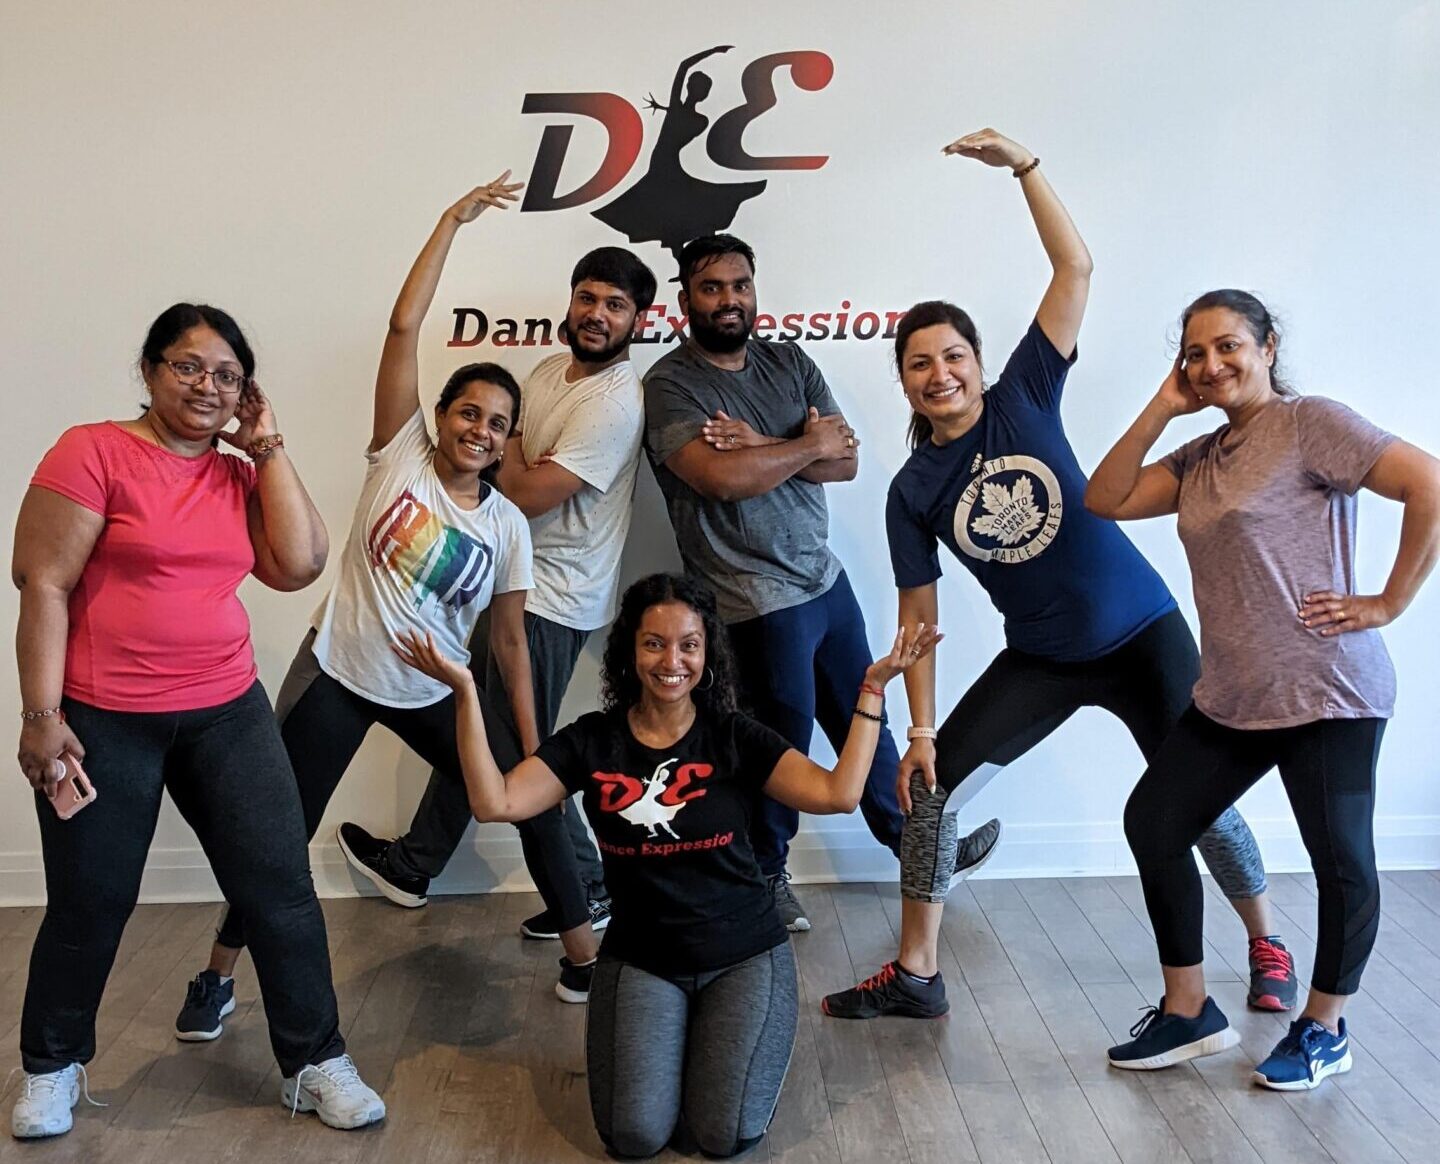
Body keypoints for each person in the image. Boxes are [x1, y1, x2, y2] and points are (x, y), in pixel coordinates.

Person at [822, 131, 1289, 1023]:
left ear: (978, 363)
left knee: (1199, 797)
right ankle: (917, 974)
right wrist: (919, 731)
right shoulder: (913, 491)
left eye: (953, 355)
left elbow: (1073, 267)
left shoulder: (1025, 397)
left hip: (1143, 634)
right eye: (920, 363)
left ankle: (1266, 938)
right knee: (930, 792)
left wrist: (1026, 170)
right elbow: (917, 620)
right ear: (906, 383)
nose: (940, 372)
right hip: (1042, 656)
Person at [177, 174, 600, 1032]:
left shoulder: (510, 527)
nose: (479, 430)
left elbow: (512, 645)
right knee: (276, 836)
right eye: (466, 413)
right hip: (341, 675)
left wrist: (530, 740)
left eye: (496, 423)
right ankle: (217, 976)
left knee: (539, 798)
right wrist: (452, 220)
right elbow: (405, 326)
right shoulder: (399, 452)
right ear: (439, 417)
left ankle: (591, 963)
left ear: (506, 438)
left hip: (433, 689)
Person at [392, 573, 940, 1159]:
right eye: (654, 643)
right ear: (631, 649)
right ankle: (681, 1038)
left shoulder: (733, 737)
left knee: (721, 1136)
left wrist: (872, 690)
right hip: (643, 960)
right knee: (634, 1136)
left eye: (688, 644)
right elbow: (493, 802)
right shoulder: (593, 741)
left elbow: (838, 793)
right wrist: (467, 693)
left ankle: (716, 1038)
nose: (671, 660)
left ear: (706, 654)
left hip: (744, 956)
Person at [10, 303, 385, 1138]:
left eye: (226, 375)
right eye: (187, 366)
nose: (206, 386)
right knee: (91, 900)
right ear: (148, 371)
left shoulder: (237, 472)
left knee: (280, 889)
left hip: (226, 711)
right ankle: (51, 1065)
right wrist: (41, 716)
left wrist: (268, 445)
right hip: (104, 719)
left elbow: (299, 564)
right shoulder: (92, 450)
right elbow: (43, 583)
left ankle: (316, 1059)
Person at [1091, 289, 1440, 1089]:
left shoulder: (1308, 422)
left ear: (1268, 345)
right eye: (1195, 354)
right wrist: (1164, 405)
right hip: (1236, 697)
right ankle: (1189, 1012)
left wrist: (1386, 601)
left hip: (1326, 689)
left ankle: (1324, 1027)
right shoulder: (1201, 456)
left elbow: (1429, 481)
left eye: (1228, 347)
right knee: (1154, 820)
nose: (1212, 365)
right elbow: (1102, 499)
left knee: (1340, 861)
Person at [343, 245, 659, 944]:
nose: (597, 315)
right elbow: (507, 465)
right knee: (489, 734)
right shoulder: (551, 371)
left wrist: (515, 453)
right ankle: (419, 864)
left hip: (555, 594)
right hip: (509, 579)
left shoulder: (613, 405)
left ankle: (585, 884)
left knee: (519, 746)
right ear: (572, 300)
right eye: (588, 298)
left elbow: (516, 490)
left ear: (641, 317)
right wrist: (517, 450)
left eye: (615, 305)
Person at [643, 231, 903, 932]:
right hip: (750, 597)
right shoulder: (672, 384)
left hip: (823, 579)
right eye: (712, 288)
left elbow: (844, 459)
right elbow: (721, 481)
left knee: (864, 721)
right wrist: (804, 444)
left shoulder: (789, 361)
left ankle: (913, 846)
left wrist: (766, 445)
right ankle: (765, 874)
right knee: (777, 742)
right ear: (685, 299)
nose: (729, 301)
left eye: (739, 286)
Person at [592, 45, 766, 270]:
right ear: (690, 87)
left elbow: (678, 124)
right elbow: (683, 67)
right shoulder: (677, 106)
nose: (700, 91)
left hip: (673, 165)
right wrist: (711, 51)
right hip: (662, 165)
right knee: (670, 212)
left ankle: (689, 268)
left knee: (687, 210)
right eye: (698, 86)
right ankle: (687, 268)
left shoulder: (696, 117)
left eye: (704, 89)